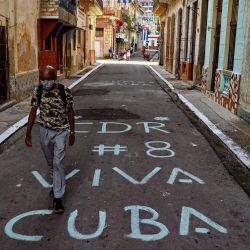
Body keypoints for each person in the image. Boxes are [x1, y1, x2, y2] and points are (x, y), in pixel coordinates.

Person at [25, 65, 75, 214]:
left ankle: (58, 198)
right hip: (44, 131)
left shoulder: (64, 92)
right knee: (50, 162)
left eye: (48, 79)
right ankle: (55, 184)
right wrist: (28, 133)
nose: (45, 82)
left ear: (55, 78)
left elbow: (70, 111)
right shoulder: (38, 91)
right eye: (43, 79)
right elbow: (33, 112)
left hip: (61, 131)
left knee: (57, 162)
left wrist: (72, 132)